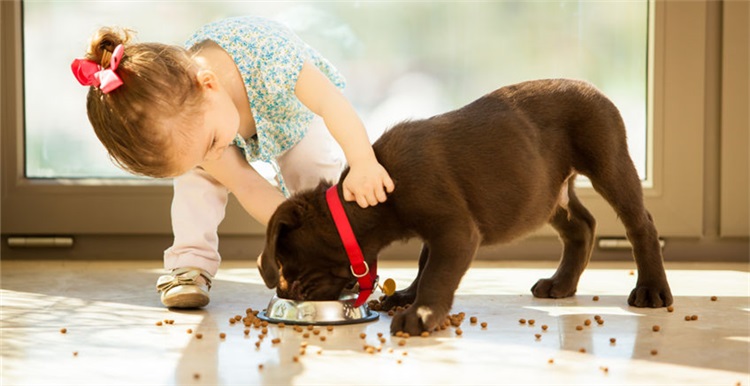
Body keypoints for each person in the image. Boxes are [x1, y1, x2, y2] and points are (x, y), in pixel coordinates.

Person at [71, 16, 394, 308]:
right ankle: (189, 264)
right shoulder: (195, 126)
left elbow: (331, 103)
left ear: (209, 85)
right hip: (213, 122)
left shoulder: (272, 59)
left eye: (211, 144)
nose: (212, 157)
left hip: (290, 115)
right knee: (196, 182)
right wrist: (287, 234)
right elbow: (246, 183)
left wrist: (363, 161)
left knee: (312, 165)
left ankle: (331, 258)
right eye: (201, 154)